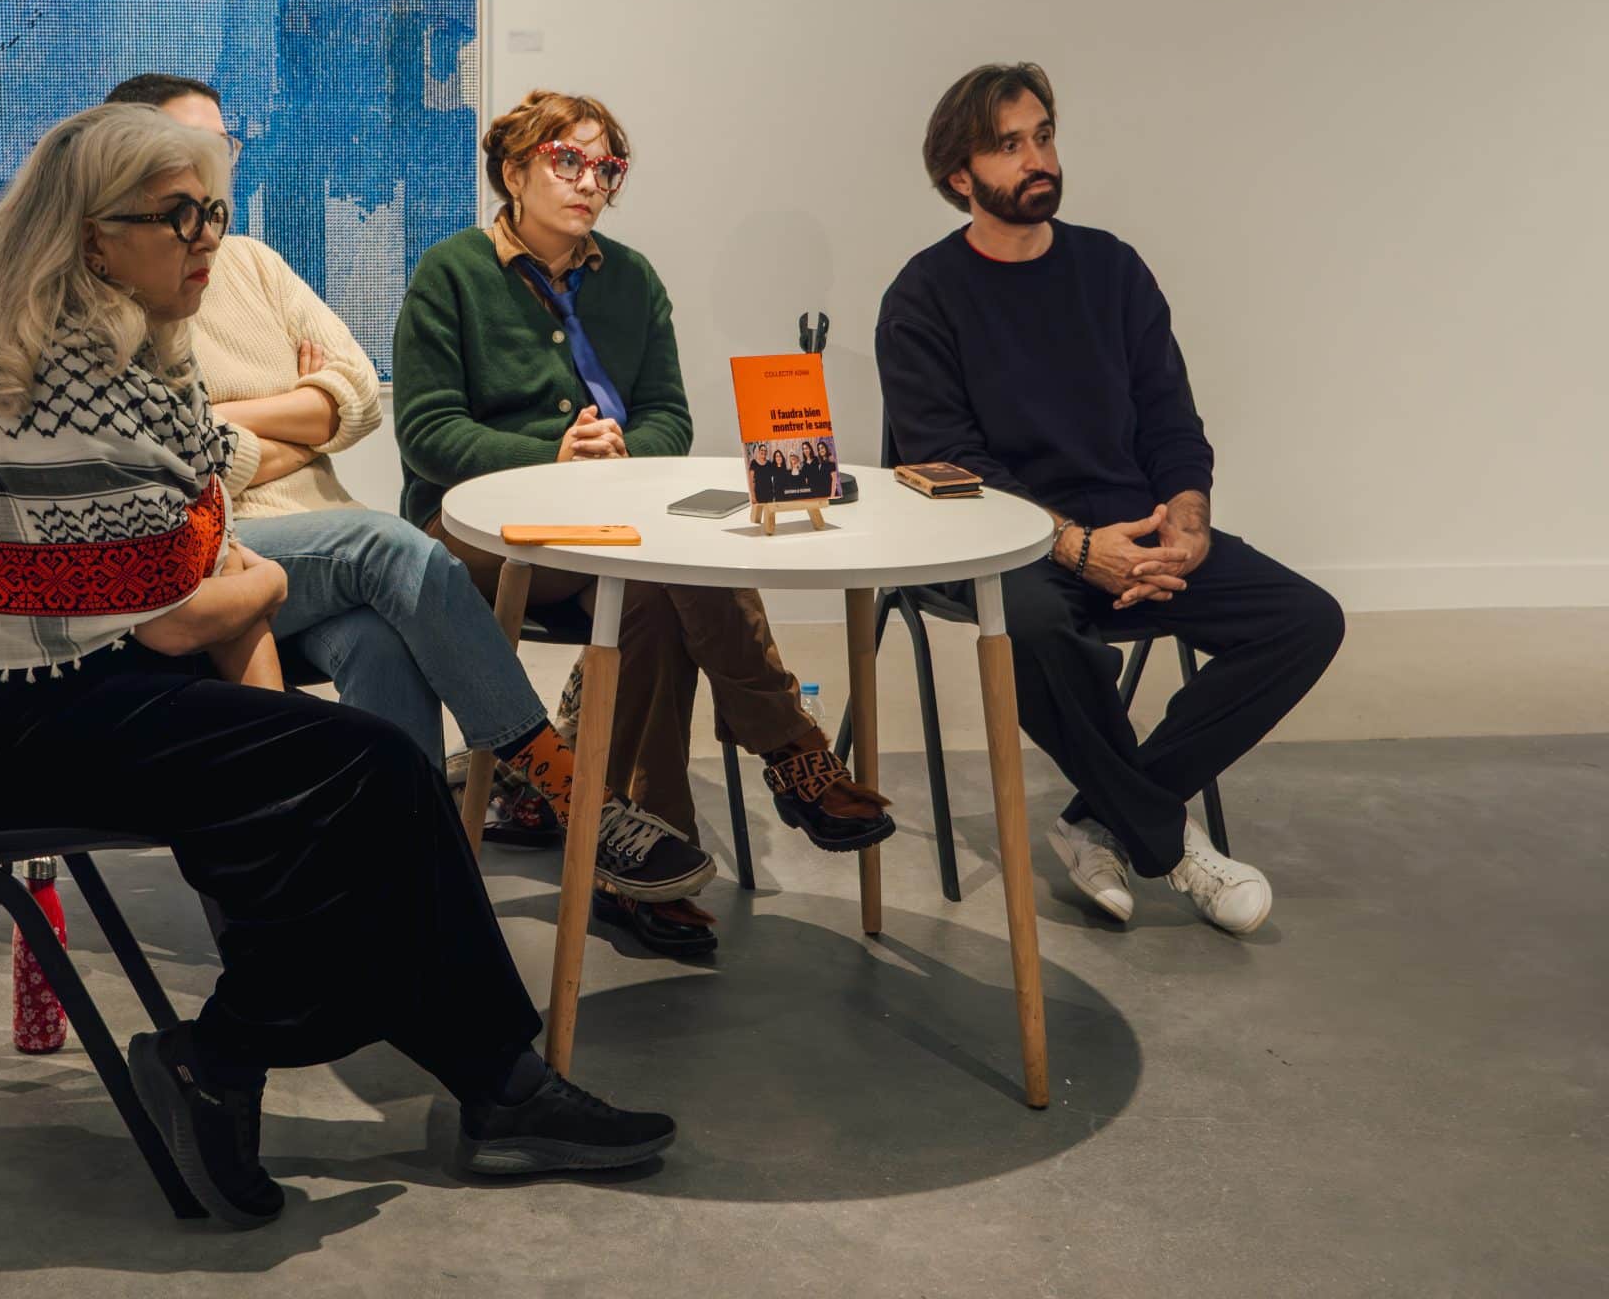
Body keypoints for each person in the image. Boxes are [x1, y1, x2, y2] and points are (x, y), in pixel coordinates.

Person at [0, 103, 676, 1226]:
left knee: (368, 780)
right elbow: (182, 614)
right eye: (177, 217)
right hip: (10, 725)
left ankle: (490, 1083)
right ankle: (255, 1058)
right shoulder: (57, 386)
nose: (207, 239)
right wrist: (264, 580)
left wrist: (233, 552)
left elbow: (261, 455)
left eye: (213, 212)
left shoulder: (116, 359)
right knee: (375, 777)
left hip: (69, 689)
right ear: (95, 239)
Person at [393, 88, 896, 958]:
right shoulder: (453, 272)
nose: (591, 182)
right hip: (479, 538)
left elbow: (670, 416)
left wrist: (623, 454)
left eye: (608, 168)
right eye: (568, 160)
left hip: (613, 527)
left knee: (664, 588)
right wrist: (552, 454)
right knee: (668, 571)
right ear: (514, 170)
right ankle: (792, 752)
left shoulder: (631, 277)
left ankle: (643, 865)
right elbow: (427, 433)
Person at [875, 62, 1344, 935]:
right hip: (998, 540)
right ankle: (1168, 842)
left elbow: (1170, 418)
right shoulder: (923, 297)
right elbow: (949, 464)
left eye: (1044, 136)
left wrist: (1186, 524)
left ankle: (1100, 816)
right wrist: (1077, 547)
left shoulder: (1112, 269)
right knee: (1034, 625)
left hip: (1138, 528)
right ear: (959, 176)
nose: (1038, 160)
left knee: (1304, 621)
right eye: (1009, 146)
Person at [103, 73, 569, 854]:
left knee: (379, 635)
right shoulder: (124, 295)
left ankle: (410, 860)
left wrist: (241, 424)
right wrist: (300, 415)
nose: (217, 169)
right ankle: (553, 771)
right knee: (386, 545)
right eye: (194, 149)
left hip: (314, 541)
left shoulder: (252, 264)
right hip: (219, 551)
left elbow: (356, 394)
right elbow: (183, 460)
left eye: (223, 146)